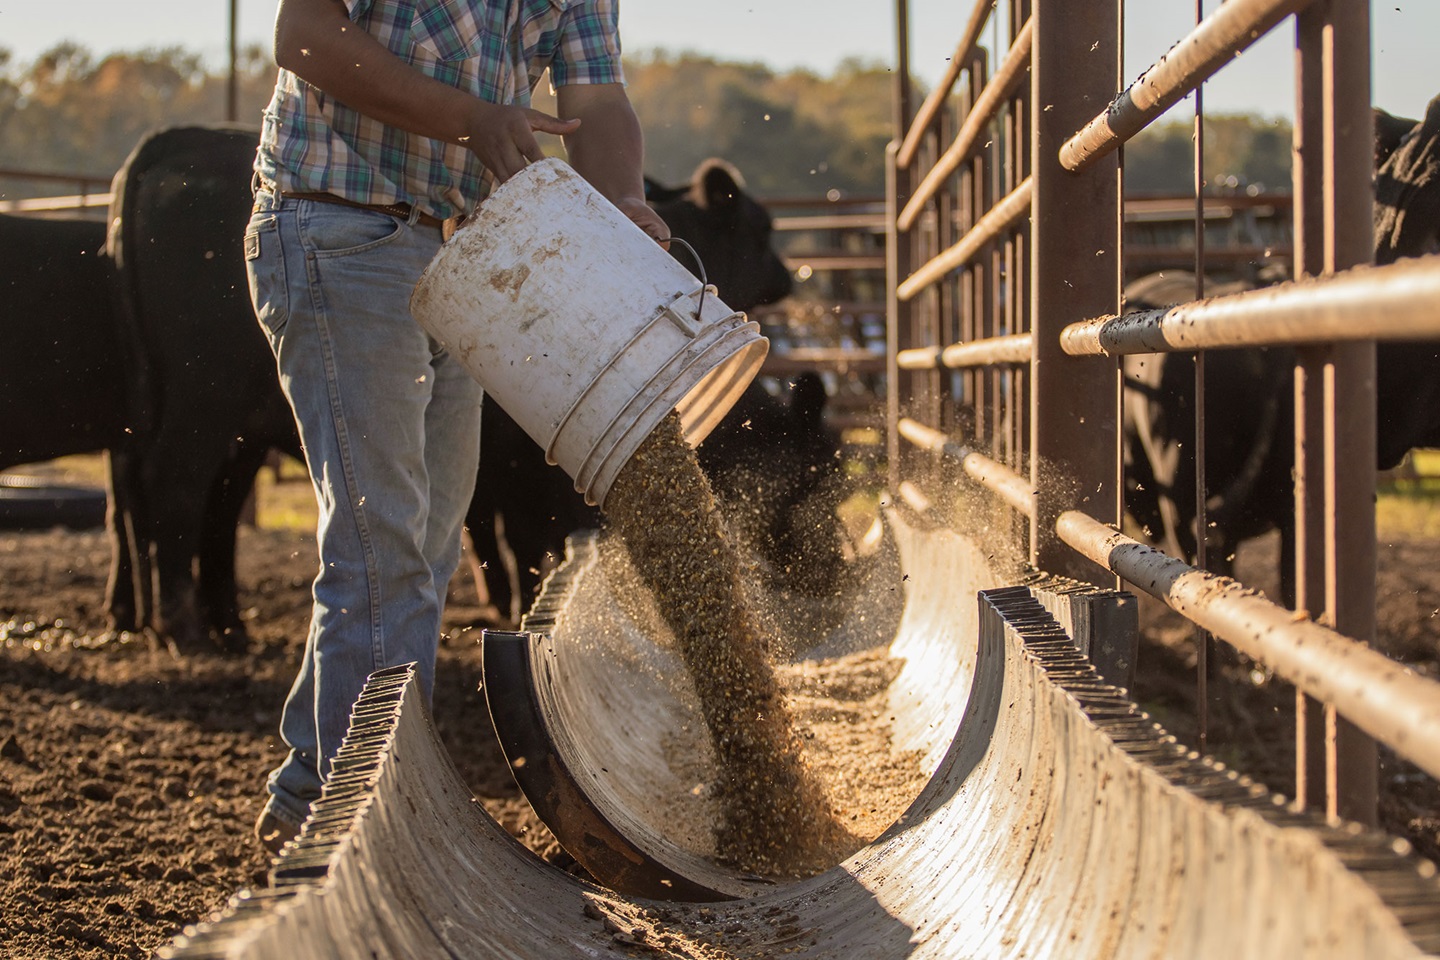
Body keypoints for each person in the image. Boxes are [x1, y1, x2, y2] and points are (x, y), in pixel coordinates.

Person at [244, 0, 668, 854]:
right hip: (342, 222)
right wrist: (472, 119)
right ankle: (369, 827)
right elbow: (304, 36)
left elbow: (600, 98)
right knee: (384, 547)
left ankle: (311, 791)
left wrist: (621, 197)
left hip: (461, 251)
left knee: (424, 541)